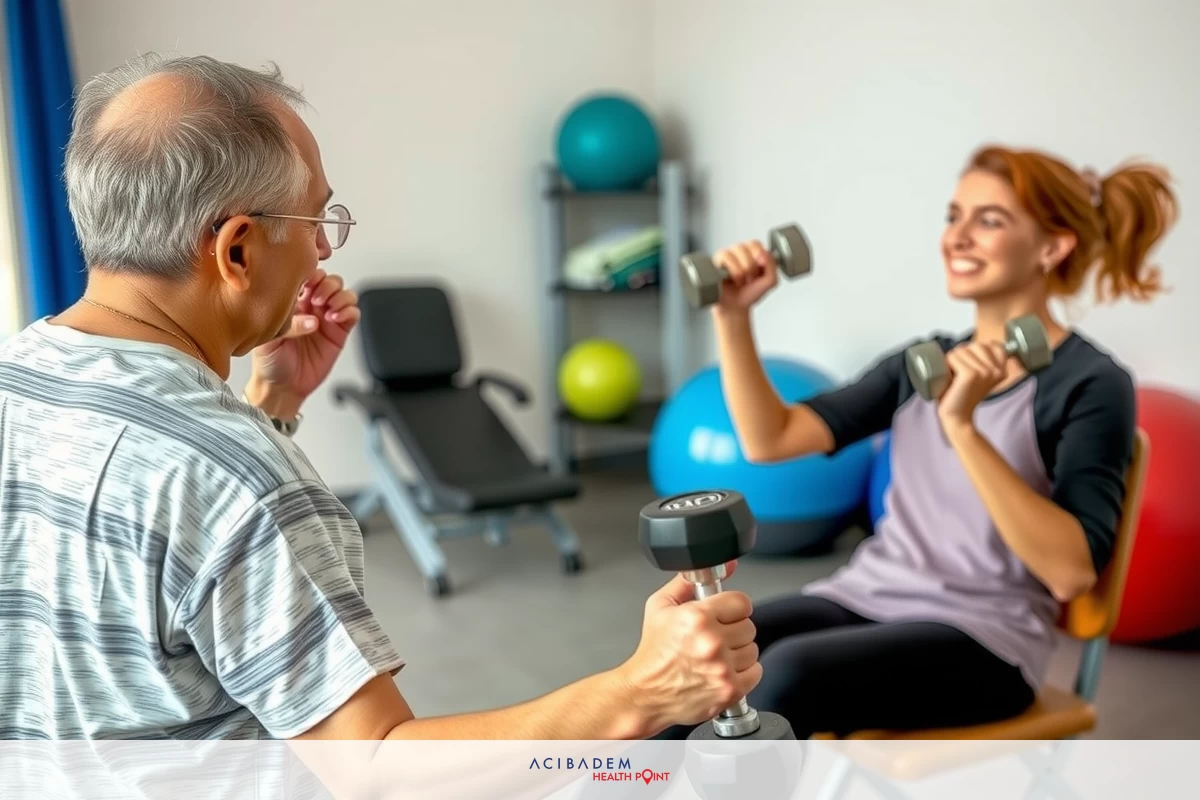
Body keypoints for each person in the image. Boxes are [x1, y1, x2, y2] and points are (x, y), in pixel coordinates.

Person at [0, 53, 761, 742]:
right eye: (314, 219)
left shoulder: (19, 376)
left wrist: (271, 398)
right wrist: (640, 693)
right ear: (236, 250)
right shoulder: (239, 475)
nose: (325, 250)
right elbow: (376, 772)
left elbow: (147, 552)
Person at [659, 144, 1177, 739]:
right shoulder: (919, 363)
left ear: (1052, 247)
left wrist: (962, 426)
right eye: (954, 216)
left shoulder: (1088, 382)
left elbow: (1070, 575)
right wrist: (732, 315)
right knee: (706, 652)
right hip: (870, 594)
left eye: (990, 220)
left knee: (787, 675)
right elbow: (770, 440)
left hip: (987, 637)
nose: (957, 237)